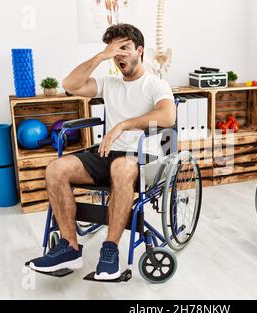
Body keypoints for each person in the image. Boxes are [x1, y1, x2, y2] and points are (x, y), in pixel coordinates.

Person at [28, 23, 176, 280]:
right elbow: (70, 84)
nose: (119, 54)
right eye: (114, 49)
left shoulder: (155, 84)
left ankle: (110, 250)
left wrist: (123, 125)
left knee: (121, 166)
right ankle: (69, 247)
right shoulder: (109, 84)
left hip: (143, 158)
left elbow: (167, 115)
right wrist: (100, 56)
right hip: (108, 153)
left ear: (140, 51)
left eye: (125, 48)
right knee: (56, 168)